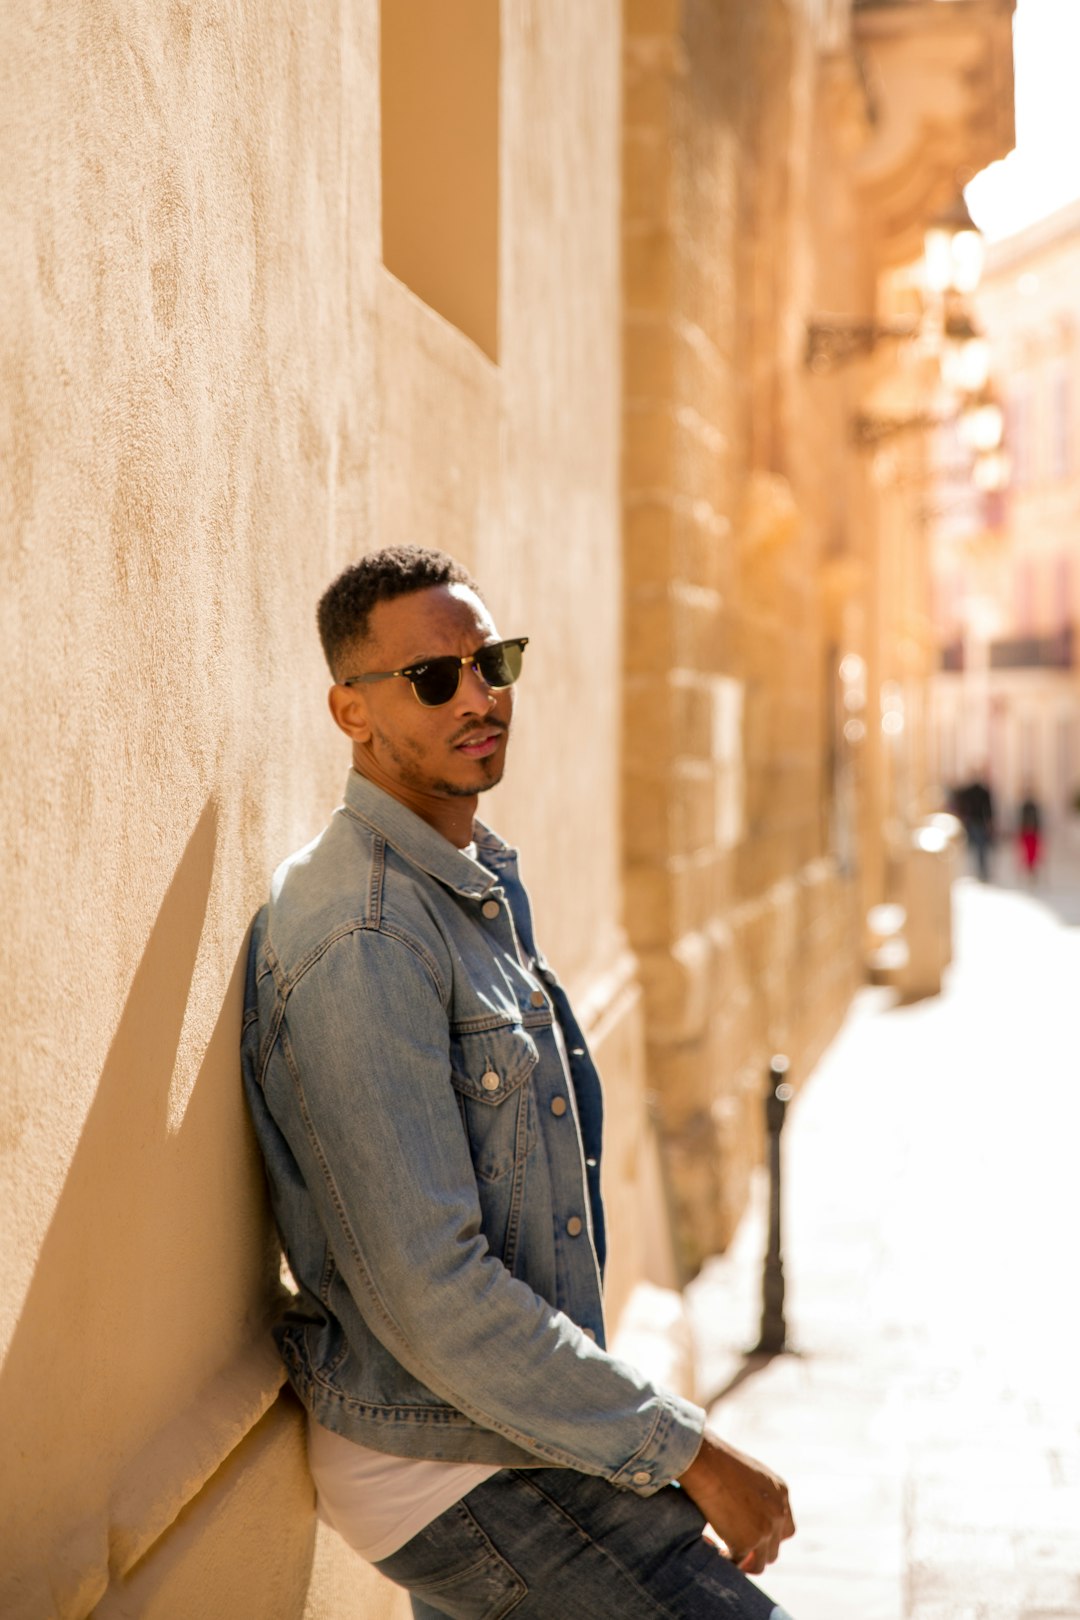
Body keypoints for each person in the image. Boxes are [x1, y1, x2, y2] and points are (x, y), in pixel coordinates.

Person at [241, 546, 796, 1618]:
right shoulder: (366, 933)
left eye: (491, 661)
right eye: (434, 678)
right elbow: (433, 1295)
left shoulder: (468, 883)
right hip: (447, 1463)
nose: (481, 695)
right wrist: (689, 1450)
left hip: (511, 1426)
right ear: (349, 712)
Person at [958, 770, 994, 882]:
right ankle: (980, 869)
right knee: (979, 847)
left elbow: (988, 808)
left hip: (976, 822)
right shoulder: (979, 791)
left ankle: (981, 870)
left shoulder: (980, 791)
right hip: (975, 821)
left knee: (979, 847)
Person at [1016, 789, 1043, 882]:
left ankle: (1032, 871)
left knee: (1032, 853)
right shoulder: (1025, 807)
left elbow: (1037, 819)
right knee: (1028, 853)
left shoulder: (1033, 807)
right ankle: (1029, 870)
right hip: (1027, 832)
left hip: (1032, 832)